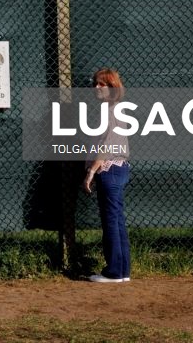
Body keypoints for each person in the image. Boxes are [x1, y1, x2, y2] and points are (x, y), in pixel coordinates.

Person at [83, 68, 131, 283]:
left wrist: (92, 171)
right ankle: (122, 271)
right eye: (95, 83)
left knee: (111, 220)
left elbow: (107, 144)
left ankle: (113, 271)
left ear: (113, 87)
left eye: (102, 84)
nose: (97, 87)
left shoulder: (110, 110)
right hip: (118, 168)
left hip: (109, 169)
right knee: (117, 220)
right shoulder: (115, 109)